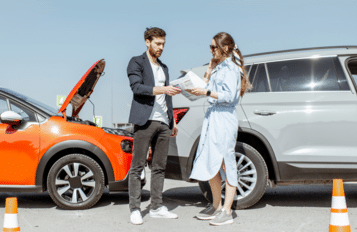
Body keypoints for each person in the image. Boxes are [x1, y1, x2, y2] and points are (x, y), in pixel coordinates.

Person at [187, 32, 251, 226]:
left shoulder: (231, 68)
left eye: (214, 47)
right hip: (213, 118)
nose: (210, 50)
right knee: (211, 160)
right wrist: (208, 70)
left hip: (224, 118)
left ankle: (227, 210)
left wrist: (206, 91)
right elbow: (206, 87)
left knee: (226, 161)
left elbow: (231, 96)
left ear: (224, 48)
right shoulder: (218, 68)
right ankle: (216, 204)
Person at [127, 27, 182, 225]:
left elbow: (167, 97)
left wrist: (172, 120)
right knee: (137, 167)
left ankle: (157, 206)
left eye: (163, 44)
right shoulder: (136, 62)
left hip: (163, 122)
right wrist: (162, 88)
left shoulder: (164, 67)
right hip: (144, 120)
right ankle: (134, 209)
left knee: (159, 167)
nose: (161, 48)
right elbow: (137, 87)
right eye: (158, 43)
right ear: (147, 42)